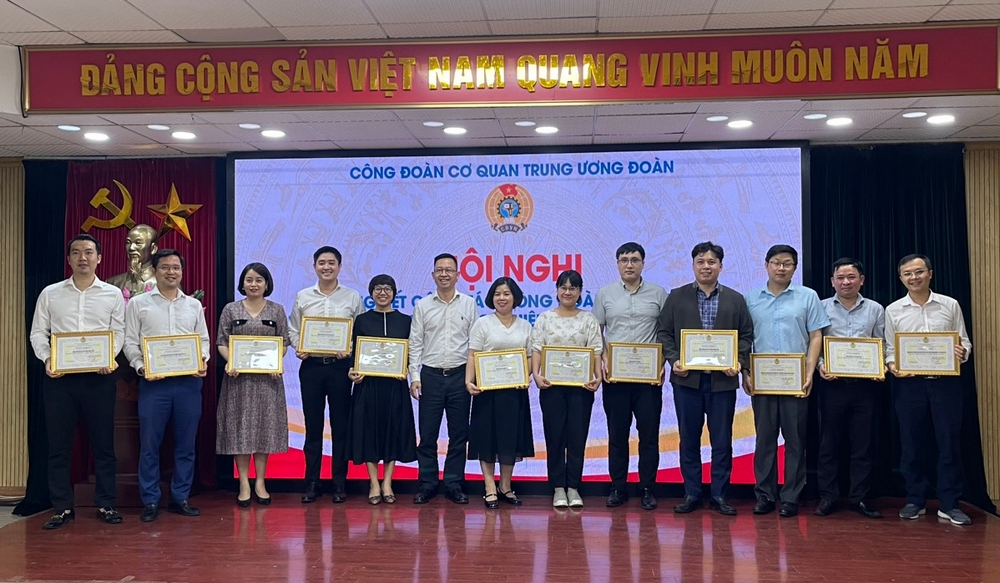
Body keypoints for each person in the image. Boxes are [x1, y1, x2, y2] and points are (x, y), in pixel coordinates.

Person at [29, 234, 126, 530]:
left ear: (99, 258)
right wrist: (48, 359)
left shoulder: (112, 294)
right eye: (76, 252)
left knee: (103, 444)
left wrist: (109, 356)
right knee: (59, 446)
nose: (83, 257)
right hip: (60, 380)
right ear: (69, 259)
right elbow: (38, 333)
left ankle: (106, 503)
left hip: (99, 379)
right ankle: (62, 507)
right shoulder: (50, 293)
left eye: (88, 252)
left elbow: (119, 332)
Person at [657, 242, 753, 516]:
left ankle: (720, 495)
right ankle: (692, 493)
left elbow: (746, 335)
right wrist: (674, 359)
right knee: (689, 438)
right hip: (687, 381)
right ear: (693, 265)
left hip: (722, 382)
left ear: (720, 266)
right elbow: (664, 332)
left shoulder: (735, 299)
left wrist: (738, 361)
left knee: (722, 440)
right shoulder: (677, 297)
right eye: (700, 261)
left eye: (711, 262)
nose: (706, 266)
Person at [884, 254, 973, 526]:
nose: (914, 277)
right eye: (907, 274)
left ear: (930, 273)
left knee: (949, 443)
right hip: (909, 385)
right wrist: (892, 365)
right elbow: (890, 349)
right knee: (911, 443)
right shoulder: (894, 310)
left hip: (946, 384)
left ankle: (949, 503)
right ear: (901, 278)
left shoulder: (950, 304)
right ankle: (915, 499)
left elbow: (964, 342)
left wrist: (962, 352)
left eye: (919, 271)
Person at [124, 249, 210, 523]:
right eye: (165, 267)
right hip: (154, 385)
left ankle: (180, 497)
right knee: (150, 444)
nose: (171, 272)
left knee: (186, 445)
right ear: (155, 270)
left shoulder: (193, 305)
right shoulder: (138, 303)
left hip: (188, 385)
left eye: (176, 267)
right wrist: (142, 367)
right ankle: (150, 500)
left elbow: (203, 340)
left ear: (182, 272)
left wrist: (202, 360)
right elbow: (129, 342)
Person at [743, 244, 829, 518]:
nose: (781, 268)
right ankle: (765, 495)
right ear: (766, 265)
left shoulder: (808, 296)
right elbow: (744, 339)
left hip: (796, 381)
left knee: (795, 440)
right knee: (765, 440)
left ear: (795, 267)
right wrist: (746, 372)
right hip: (763, 381)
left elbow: (816, 336)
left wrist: (809, 372)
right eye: (776, 263)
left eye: (787, 263)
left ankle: (791, 496)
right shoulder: (750, 298)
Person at [593, 242, 668, 510]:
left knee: (649, 436)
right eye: (624, 260)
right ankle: (618, 487)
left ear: (643, 263)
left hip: (648, 380)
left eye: (635, 260)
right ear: (617, 263)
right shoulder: (605, 294)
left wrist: (661, 363)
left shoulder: (659, 294)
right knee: (617, 435)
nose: (629, 264)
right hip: (616, 379)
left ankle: (647, 488)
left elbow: (666, 333)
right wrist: (604, 360)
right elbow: (597, 332)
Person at [288, 246, 363, 504]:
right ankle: (312, 483)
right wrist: (299, 346)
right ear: (314, 267)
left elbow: (359, 332)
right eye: (322, 263)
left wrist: (349, 349)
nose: (326, 267)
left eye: (331, 263)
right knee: (313, 427)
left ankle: (339, 482)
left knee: (341, 426)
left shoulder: (352, 297)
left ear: (340, 266)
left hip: (340, 368)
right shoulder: (303, 296)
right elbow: (293, 329)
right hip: (312, 368)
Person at [814, 258, 885, 519]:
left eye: (851, 277)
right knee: (828, 444)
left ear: (861, 280)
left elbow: (881, 343)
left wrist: (880, 366)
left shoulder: (875, 309)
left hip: (865, 387)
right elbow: (815, 343)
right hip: (832, 386)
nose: (846, 282)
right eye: (840, 278)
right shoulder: (821, 307)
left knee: (863, 444)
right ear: (832, 281)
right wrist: (820, 365)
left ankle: (860, 498)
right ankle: (828, 496)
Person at [216, 262, 290, 507]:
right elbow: (222, 341)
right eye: (249, 280)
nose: (254, 284)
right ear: (242, 283)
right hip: (239, 380)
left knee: (263, 430)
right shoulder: (231, 309)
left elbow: (284, 342)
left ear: (267, 284)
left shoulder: (277, 310)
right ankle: (244, 483)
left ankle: (260, 482)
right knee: (241, 429)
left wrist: (276, 362)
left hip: (268, 381)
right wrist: (231, 361)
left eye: (259, 280)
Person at [409, 253, 478, 505]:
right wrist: (414, 376)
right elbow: (415, 343)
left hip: (460, 376)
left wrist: (472, 378)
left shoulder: (469, 304)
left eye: (449, 270)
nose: (444, 274)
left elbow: (474, 344)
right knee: (427, 435)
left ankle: (453, 484)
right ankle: (427, 484)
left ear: (458, 275)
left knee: (459, 435)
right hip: (430, 376)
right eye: (440, 270)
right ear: (433, 275)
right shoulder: (423, 305)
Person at [531, 270, 603, 508]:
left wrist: (598, 377)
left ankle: (573, 487)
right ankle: (558, 488)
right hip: (551, 387)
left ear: (580, 292)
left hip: (581, 388)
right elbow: (537, 349)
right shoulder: (545, 318)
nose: (568, 292)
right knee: (554, 437)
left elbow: (595, 351)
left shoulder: (588, 320)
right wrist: (536, 375)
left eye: (573, 288)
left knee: (577, 437)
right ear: (557, 290)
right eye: (563, 287)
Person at [347, 274, 417, 505]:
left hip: (395, 386)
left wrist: (407, 369)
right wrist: (352, 371)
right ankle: (373, 483)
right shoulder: (362, 320)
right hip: (368, 386)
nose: (383, 292)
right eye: (378, 288)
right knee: (369, 432)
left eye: (387, 288)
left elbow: (412, 352)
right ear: (371, 293)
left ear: (394, 293)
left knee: (392, 432)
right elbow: (354, 352)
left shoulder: (405, 321)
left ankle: (387, 482)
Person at [465, 277, 534, 509]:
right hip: (487, 392)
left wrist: (526, 376)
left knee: (509, 439)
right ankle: (489, 487)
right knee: (487, 439)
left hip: (514, 393)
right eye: (497, 294)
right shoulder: (482, 324)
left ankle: (505, 486)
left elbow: (529, 357)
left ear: (515, 297)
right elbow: (473, 355)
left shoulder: (525, 326)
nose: (501, 298)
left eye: (506, 293)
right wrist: (468, 381)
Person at [107, 224, 158, 296]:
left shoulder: (163, 284)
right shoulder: (113, 283)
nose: (131, 248)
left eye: (138, 243)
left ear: (153, 249)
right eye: (128, 242)